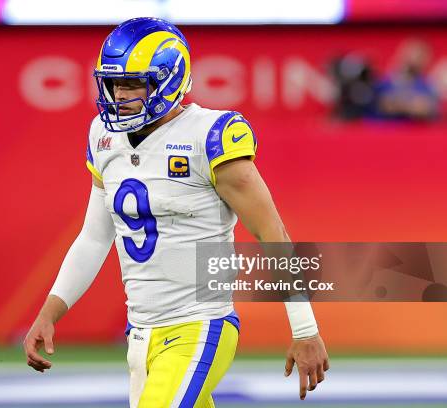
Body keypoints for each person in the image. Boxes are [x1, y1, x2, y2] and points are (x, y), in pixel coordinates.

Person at [24, 17, 329, 407]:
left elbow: (274, 236)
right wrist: (51, 310)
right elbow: (95, 235)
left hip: (199, 326)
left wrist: (305, 329)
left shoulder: (211, 134)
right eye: (115, 83)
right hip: (140, 336)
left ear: (169, 80)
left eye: (133, 83)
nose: (120, 95)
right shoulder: (103, 135)